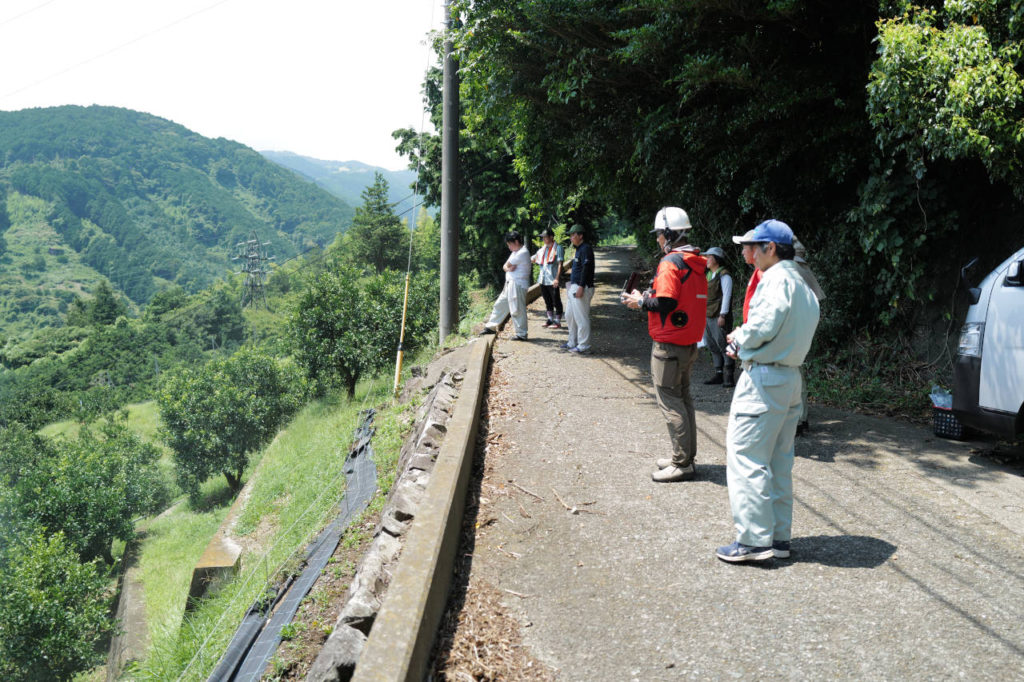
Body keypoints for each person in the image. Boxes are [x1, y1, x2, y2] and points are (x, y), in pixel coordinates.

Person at [715, 220, 820, 563]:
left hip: (763, 381)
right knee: (778, 462)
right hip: (790, 379)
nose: (746, 253)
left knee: (746, 458)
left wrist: (739, 338)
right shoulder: (803, 284)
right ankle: (778, 538)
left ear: (770, 248)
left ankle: (754, 542)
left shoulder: (776, 280)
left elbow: (762, 325)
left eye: (750, 246)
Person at [621, 207, 707, 482]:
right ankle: (684, 457)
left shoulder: (670, 262)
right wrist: (648, 294)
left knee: (671, 403)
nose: (658, 239)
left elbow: (667, 302)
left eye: (659, 234)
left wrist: (640, 302)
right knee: (683, 400)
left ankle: (682, 463)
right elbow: (676, 297)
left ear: (669, 234)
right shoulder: (695, 261)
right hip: (688, 343)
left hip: (669, 345)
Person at [792, 238, 826, 436]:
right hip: (805, 329)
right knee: (800, 374)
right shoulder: (804, 269)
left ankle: (797, 420)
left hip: (795, 330)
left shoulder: (793, 271)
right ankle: (802, 418)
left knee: (794, 375)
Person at [481, 231, 532, 340]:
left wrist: (507, 268)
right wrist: (508, 269)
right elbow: (505, 266)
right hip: (510, 284)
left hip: (517, 284)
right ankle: (491, 326)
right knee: (500, 304)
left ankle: (521, 334)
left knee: (517, 309)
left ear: (516, 241)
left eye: (510, 244)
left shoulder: (522, 252)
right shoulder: (515, 252)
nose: (509, 247)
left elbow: (507, 265)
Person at [701, 246, 736, 387]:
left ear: (716, 259)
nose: (706, 260)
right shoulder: (708, 275)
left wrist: (723, 315)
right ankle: (718, 374)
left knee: (723, 345)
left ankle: (729, 377)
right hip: (708, 314)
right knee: (712, 345)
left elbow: (727, 296)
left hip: (718, 315)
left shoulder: (724, 275)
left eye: (709, 257)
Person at [563, 224, 595, 354]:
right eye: (570, 235)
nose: (571, 237)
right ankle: (572, 341)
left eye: (573, 235)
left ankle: (583, 346)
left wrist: (581, 286)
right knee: (569, 315)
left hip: (582, 287)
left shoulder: (586, 248)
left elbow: (586, 269)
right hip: (574, 286)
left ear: (580, 235)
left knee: (581, 318)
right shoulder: (579, 249)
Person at [532, 227, 564, 328]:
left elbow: (560, 264)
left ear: (551, 237)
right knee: (547, 300)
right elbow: (533, 258)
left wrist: (557, 278)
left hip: (552, 280)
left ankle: (558, 321)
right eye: (542, 238)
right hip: (543, 279)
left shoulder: (558, 248)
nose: (543, 239)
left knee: (556, 300)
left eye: (545, 237)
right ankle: (550, 319)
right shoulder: (542, 249)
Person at [732, 228, 762, 323]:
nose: (742, 252)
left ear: (755, 249)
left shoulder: (763, 273)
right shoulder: (758, 272)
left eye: (744, 248)